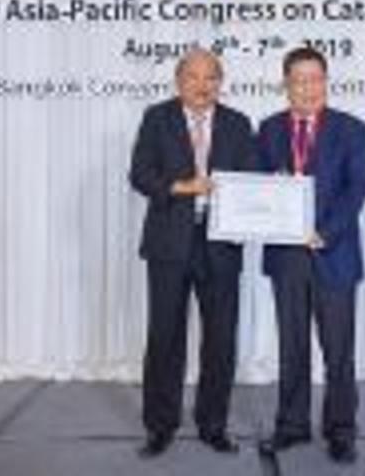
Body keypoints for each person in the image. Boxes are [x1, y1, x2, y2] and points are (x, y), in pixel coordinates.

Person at [129, 48, 255, 458]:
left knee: (220, 338)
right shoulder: (157, 118)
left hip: (221, 244)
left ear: (221, 82)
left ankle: (213, 425)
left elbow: (251, 180)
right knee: (164, 337)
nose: (202, 86)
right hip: (169, 243)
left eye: (210, 77)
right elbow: (140, 174)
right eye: (193, 77)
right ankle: (160, 426)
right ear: (178, 81)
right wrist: (184, 187)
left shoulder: (238, 123)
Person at [257, 47, 365, 464]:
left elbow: (356, 189)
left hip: (334, 254)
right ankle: (291, 426)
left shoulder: (351, 129)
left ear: (325, 81)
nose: (308, 88)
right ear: (286, 84)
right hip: (286, 257)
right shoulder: (269, 129)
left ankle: (341, 431)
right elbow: (257, 184)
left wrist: (326, 232)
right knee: (292, 347)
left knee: (338, 351)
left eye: (315, 79)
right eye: (299, 80)